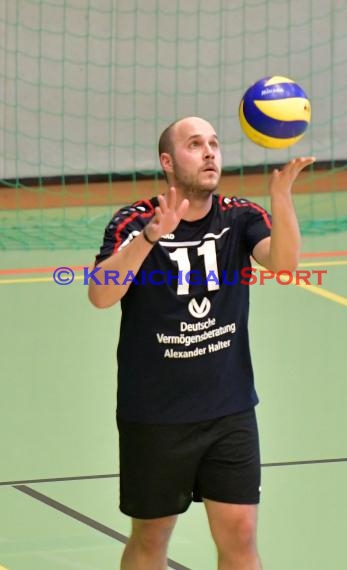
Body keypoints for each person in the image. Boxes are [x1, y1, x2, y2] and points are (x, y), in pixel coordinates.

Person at [88, 116, 315, 570]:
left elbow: (285, 264)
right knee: (151, 538)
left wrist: (281, 199)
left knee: (242, 533)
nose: (210, 152)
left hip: (228, 409)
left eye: (214, 143)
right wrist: (153, 235)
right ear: (168, 162)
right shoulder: (134, 221)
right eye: (195, 144)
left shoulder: (241, 216)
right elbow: (101, 293)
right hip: (155, 415)